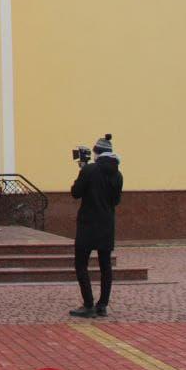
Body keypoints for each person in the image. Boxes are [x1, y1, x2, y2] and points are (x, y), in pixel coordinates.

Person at [70, 136, 124, 319]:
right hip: (107, 224)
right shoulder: (118, 174)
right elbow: (116, 201)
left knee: (81, 264)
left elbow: (76, 193)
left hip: (88, 224)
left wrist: (82, 172)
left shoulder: (90, 170)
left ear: (97, 153)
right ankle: (102, 306)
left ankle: (88, 304)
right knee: (105, 266)